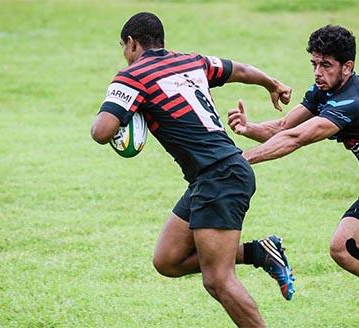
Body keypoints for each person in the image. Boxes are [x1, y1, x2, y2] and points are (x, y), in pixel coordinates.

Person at [91, 12, 295, 327]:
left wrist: (125, 111)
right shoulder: (192, 62)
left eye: (123, 47)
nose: (124, 54)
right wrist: (273, 83)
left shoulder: (132, 77)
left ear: (132, 43)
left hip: (220, 174)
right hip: (214, 175)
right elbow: (238, 69)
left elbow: (101, 132)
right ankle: (260, 252)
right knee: (168, 259)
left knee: (218, 279)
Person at [227, 25, 359, 297]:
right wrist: (248, 128)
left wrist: (240, 159)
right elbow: (284, 127)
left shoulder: (352, 101)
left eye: (326, 65)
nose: (318, 72)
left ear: (347, 67)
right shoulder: (325, 91)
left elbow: (296, 138)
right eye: (314, 63)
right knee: (343, 247)